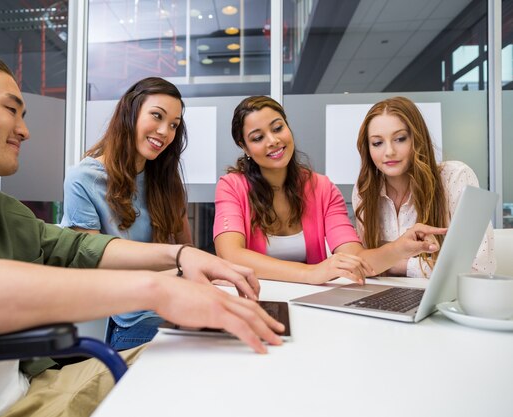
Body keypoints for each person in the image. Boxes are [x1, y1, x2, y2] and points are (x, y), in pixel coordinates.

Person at [0, 34, 284, 417]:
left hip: (37, 388)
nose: (24, 130)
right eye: (11, 110)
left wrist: (181, 253)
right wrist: (160, 287)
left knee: (214, 363)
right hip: (17, 402)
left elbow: (78, 247)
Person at [213, 95, 446, 284]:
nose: (272, 140)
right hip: (253, 298)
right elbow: (231, 255)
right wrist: (311, 273)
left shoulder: (322, 188)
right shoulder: (231, 186)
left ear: (288, 128)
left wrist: (398, 249)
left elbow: (357, 258)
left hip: (310, 301)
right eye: (257, 137)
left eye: (278, 128)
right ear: (244, 146)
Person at [61, 77, 191, 350]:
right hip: (129, 320)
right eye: (157, 116)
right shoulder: (83, 179)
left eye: (173, 125)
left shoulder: (164, 179)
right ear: (130, 113)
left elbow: (186, 251)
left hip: (175, 303)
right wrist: (180, 273)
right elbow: (93, 272)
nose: (165, 132)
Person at [352, 96, 496, 277]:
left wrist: (396, 264)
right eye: (377, 143)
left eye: (400, 139)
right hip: (382, 295)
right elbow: (362, 264)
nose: (389, 151)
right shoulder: (364, 190)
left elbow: (480, 268)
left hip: (443, 300)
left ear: (417, 139)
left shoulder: (455, 177)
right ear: (368, 148)